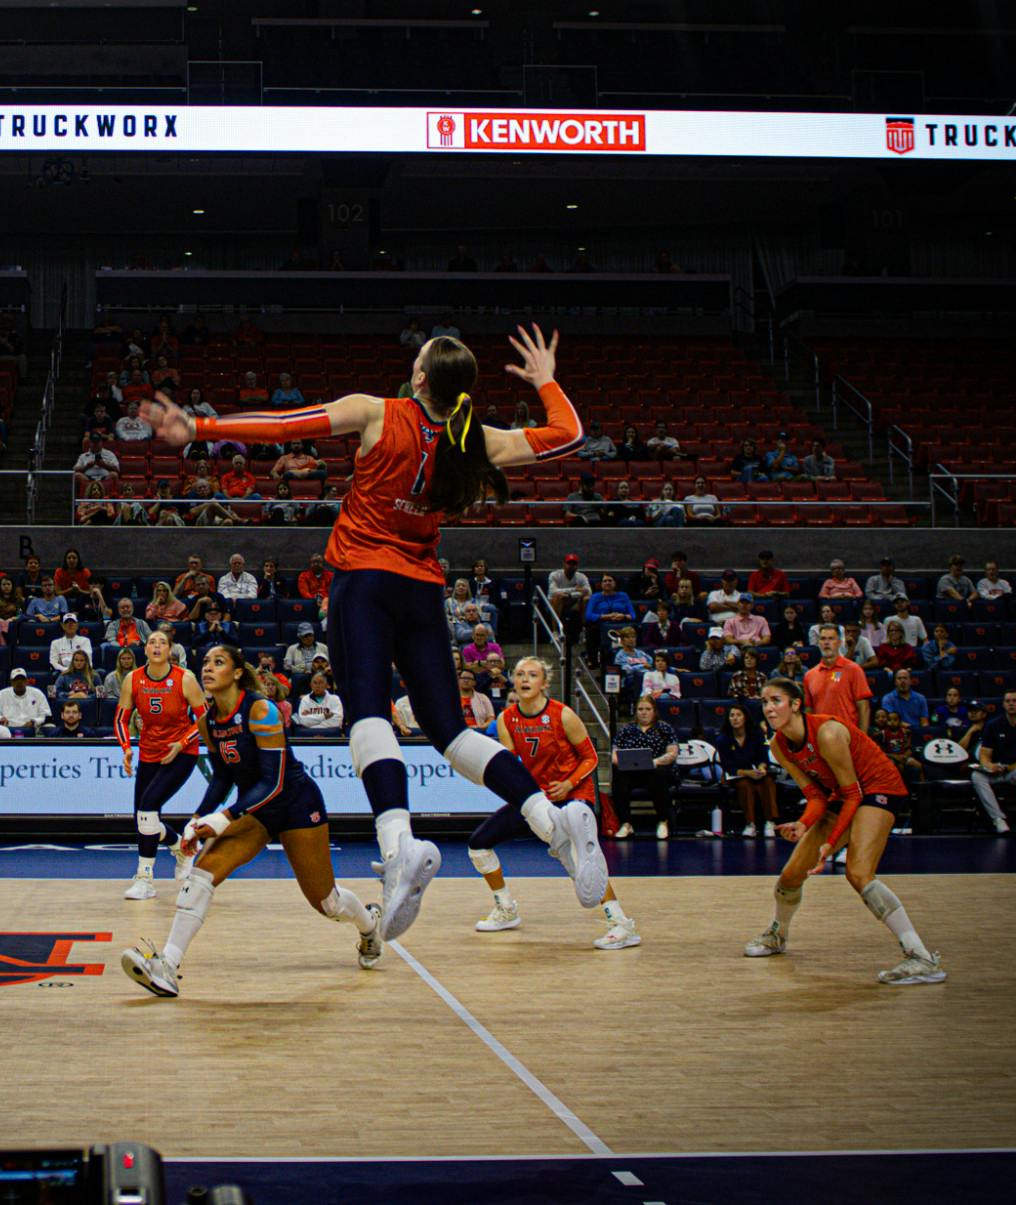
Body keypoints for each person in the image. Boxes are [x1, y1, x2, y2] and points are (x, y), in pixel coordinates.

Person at [143, 325, 604, 941]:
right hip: (422, 586)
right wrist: (545, 379)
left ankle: (398, 842)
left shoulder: (378, 414)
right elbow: (568, 435)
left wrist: (198, 429)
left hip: (363, 580)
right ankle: (550, 820)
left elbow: (287, 427)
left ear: (419, 380)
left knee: (366, 714)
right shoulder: (476, 440)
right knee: (449, 729)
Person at [119, 646, 382, 997]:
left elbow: (272, 782)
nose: (208, 669)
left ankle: (369, 926)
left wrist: (224, 817)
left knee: (327, 903)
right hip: (253, 809)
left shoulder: (261, 710)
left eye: (218, 662)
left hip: (295, 805)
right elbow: (222, 777)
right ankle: (167, 964)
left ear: (237, 672)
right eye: (205, 663)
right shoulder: (207, 721)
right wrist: (198, 819)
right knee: (202, 872)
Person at [746, 678, 944, 985]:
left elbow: (854, 794)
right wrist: (804, 823)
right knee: (790, 876)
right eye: (764, 702)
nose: (768, 708)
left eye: (776, 701)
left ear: (796, 704)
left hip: (879, 788)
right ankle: (778, 935)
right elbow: (815, 795)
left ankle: (921, 957)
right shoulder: (778, 744)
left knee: (859, 873)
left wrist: (829, 847)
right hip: (843, 794)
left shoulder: (828, 733)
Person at [465, 657, 638, 948]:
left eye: (532, 675)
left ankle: (620, 923)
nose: (525, 679)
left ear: (545, 683)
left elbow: (592, 758)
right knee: (478, 844)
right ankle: (506, 908)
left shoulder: (563, 715)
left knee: (579, 861)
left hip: (572, 796)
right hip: (536, 799)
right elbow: (509, 766)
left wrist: (569, 783)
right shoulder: (506, 718)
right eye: (520, 674)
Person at [111, 628, 211, 897]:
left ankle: (145, 878)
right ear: (144, 650)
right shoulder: (133, 680)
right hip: (150, 751)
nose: (156, 646)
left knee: (148, 807)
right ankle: (180, 846)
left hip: (182, 752)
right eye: (151, 642)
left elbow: (205, 719)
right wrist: (126, 748)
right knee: (142, 817)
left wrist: (181, 743)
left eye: (162, 643)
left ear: (170, 650)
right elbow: (121, 719)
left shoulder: (185, 679)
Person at [609, 695, 678, 839]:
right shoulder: (626, 729)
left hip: (657, 769)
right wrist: (621, 763)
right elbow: (614, 754)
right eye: (640, 709)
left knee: (658, 776)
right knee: (618, 776)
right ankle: (626, 823)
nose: (644, 712)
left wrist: (655, 762)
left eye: (648, 709)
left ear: (654, 711)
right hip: (631, 771)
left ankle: (662, 821)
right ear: (636, 711)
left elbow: (672, 753)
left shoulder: (664, 728)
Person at [973, 690, 1016, 836]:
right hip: (997, 770)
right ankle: (998, 819)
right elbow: (984, 755)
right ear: (1003, 704)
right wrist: (990, 766)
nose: (1011, 704)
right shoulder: (993, 725)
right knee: (977, 776)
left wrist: (1008, 768)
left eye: (1015, 701)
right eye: (1008, 701)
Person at [714, 703, 778, 836]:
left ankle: (770, 822)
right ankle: (750, 824)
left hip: (755, 772)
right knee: (745, 785)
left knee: (768, 782)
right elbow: (728, 767)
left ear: (745, 718)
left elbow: (763, 758)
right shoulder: (723, 739)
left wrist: (761, 768)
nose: (735, 718)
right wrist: (748, 773)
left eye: (738, 715)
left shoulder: (757, 735)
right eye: (732, 715)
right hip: (736, 776)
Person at [803, 624, 872, 733]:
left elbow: (864, 707)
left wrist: (862, 740)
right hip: (821, 738)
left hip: (849, 737)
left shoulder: (854, 669)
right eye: (823, 639)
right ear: (818, 643)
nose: (826, 642)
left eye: (831, 639)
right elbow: (809, 710)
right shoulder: (809, 675)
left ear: (839, 643)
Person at [0, 667, 51, 734]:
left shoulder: (37, 694)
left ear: (26, 681)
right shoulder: (1, 695)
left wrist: (34, 722)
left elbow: (46, 715)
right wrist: (0, 718)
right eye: (16, 680)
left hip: (33, 728)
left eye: (22, 680)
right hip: (7, 729)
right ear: (11, 682)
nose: (19, 682)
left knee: (50, 726)